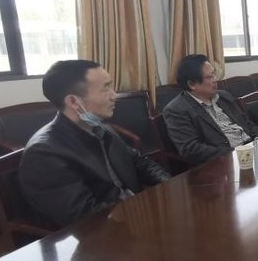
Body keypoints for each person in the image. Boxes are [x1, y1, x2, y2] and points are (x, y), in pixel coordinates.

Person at [20, 60, 170, 229]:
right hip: (104, 233)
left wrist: (169, 185)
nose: (114, 95)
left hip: (130, 215)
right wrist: (140, 213)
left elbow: (140, 162)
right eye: (106, 88)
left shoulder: (100, 128)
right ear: (74, 102)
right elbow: (85, 216)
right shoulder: (44, 153)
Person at [163, 54, 258, 165]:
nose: (215, 79)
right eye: (210, 77)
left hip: (251, 151)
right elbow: (191, 149)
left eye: (214, 74)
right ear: (192, 84)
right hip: (224, 162)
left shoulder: (223, 96)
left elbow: (246, 122)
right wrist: (234, 153)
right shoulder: (177, 110)